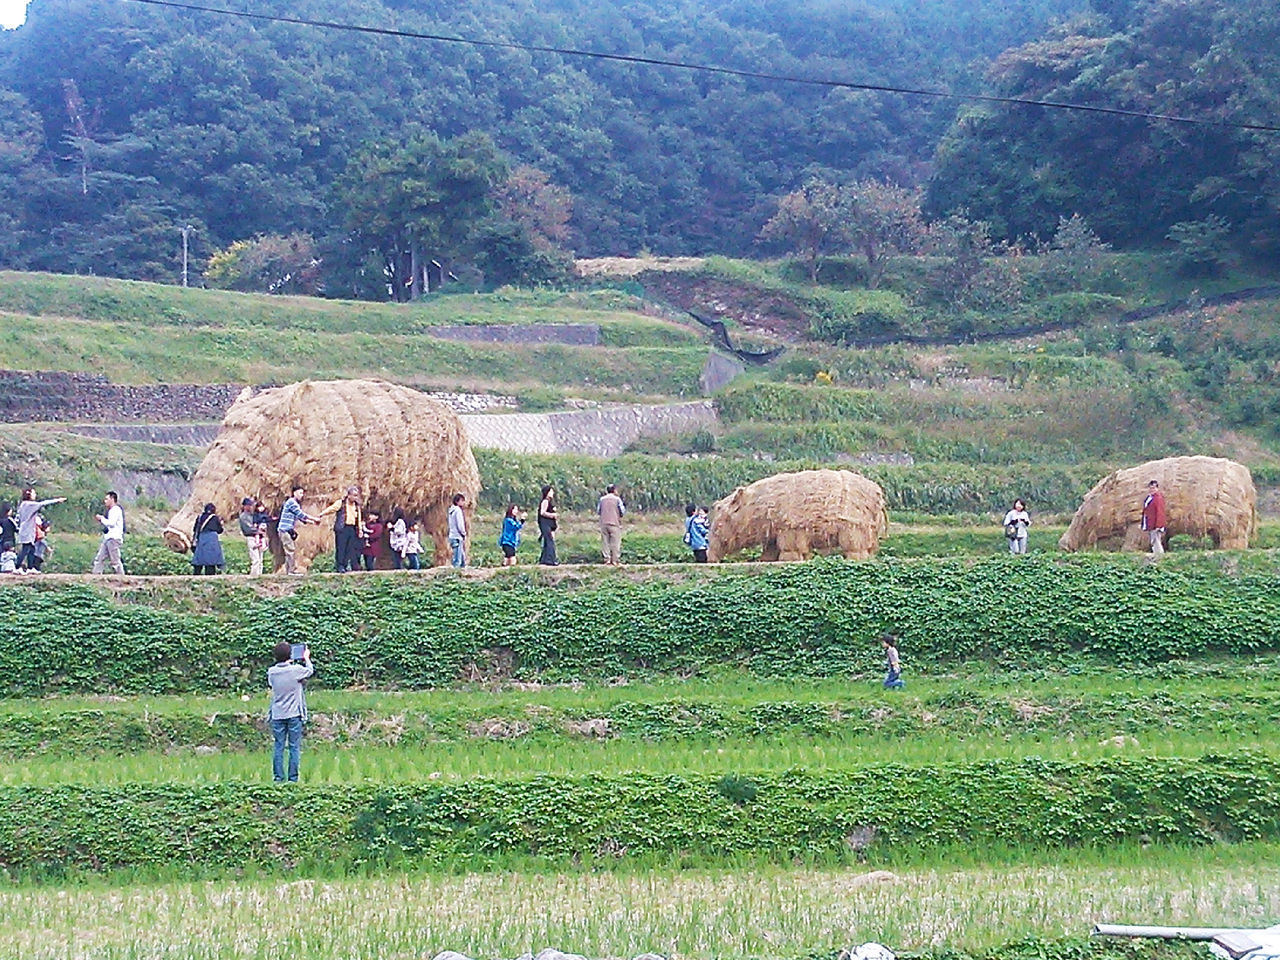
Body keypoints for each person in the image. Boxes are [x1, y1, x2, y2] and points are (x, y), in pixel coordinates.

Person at [267, 640, 313, 783]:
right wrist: (306, 657)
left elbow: (272, 684)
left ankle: (278, 778)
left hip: (277, 714)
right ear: (290, 655)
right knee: (294, 747)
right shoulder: (296, 670)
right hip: (294, 714)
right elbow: (310, 671)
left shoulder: (272, 672)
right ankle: (293, 780)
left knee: (278, 747)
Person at [16, 488, 66, 571]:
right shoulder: (30, 504)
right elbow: (43, 503)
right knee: (26, 549)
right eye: (34, 493)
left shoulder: (23, 504)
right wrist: (57, 500)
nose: (35, 495)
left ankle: (30, 568)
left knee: (31, 550)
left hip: (27, 530)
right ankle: (17, 567)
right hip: (27, 531)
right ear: (29, 495)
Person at [276, 485, 320, 575]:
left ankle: (289, 571)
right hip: (284, 530)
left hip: (288, 530)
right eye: (300, 493)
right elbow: (301, 514)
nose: (302, 495)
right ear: (294, 493)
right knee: (290, 550)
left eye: (302, 493)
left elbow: (299, 518)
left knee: (289, 550)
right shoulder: (292, 502)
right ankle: (291, 571)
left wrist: (311, 522)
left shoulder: (293, 503)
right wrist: (314, 519)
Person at [322, 485, 366, 573]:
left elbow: (359, 518)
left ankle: (345, 565)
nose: (355, 497)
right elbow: (331, 509)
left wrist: (360, 529)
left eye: (356, 495)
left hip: (352, 528)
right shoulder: (341, 503)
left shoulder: (357, 506)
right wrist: (322, 514)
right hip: (342, 528)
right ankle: (340, 566)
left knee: (349, 548)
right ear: (349, 495)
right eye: (354, 495)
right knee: (341, 547)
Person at [91, 491, 125, 575]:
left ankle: (121, 576)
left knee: (115, 560)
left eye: (107, 499)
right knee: (100, 558)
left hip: (114, 538)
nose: (105, 501)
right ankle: (96, 575)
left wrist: (102, 519)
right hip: (108, 538)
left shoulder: (115, 510)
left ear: (112, 499)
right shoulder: (111, 510)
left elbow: (111, 523)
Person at [191, 503, 225, 575]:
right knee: (211, 559)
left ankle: (196, 574)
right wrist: (221, 524)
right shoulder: (215, 518)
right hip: (212, 539)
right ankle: (210, 575)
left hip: (202, 538)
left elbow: (195, 529)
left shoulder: (200, 517)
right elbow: (220, 530)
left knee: (200, 558)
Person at [598, 483, 625, 565]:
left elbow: (598, 511)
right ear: (614, 490)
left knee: (605, 542)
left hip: (604, 523)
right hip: (614, 523)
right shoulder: (617, 499)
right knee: (615, 542)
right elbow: (622, 511)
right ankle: (615, 560)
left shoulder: (602, 499)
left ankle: (607, 559)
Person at [239, 497, 265, 576]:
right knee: (255, 559)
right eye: (248, 505)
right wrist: (258, 530)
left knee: (260, 559)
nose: (250, 507)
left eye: (251, 505)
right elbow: (248, 528)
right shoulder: (243, 516)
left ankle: (260, 575)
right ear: (244, 506)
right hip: (251, 537)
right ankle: (254, 575)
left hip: (259, 537)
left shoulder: (254, 515)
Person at [1142, 478, 1168, 556]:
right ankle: (1157, 554)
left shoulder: (1158, 498)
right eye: (1150, 488)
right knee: (1153, 540)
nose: (1152, 490)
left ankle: (1159, 555)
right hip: (1150, 522)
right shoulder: (1150, 497)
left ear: (1157, 488)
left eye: (1153, 488)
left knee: (1156, 540)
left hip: (1155, 524)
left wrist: (1158, 525)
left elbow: (1160, 512)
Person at [537, 484, 559, 566]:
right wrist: (552, 515)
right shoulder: (545, 501)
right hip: (545, 524)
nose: (553, 493)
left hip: (548, 524)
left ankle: (544, 559)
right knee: (549, 541)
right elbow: (542, 512)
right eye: (551, 491)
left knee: (547, 541)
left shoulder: (549, 501)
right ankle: (550, 559)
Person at [447, 493, 468, 568]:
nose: (463, 502)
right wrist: (463, 533)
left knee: (461, 558)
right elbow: (460, 524)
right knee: (457, 560)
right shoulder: (458, 511)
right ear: (457, 501)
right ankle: (456, 572)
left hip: (452, 535)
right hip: (457, 536)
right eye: (462, 501)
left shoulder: (451, 511)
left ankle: (463, 570)